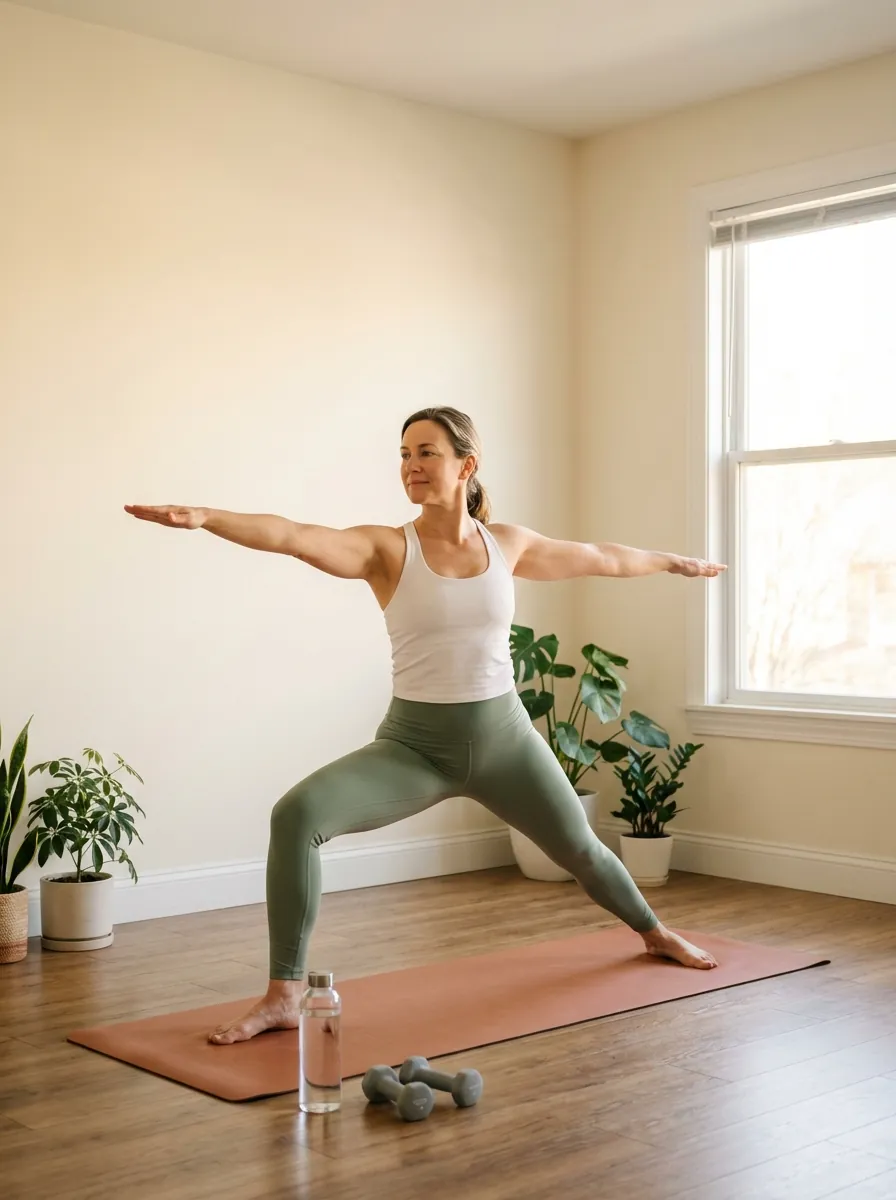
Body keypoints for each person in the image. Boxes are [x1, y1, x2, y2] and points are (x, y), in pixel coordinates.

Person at [125, 406, 727, 1045]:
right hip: (414, 749)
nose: (411, 466)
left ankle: (654, 933)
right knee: (295, 817)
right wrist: (208, 518)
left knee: (580, 848)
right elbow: (293, 533)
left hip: (506, 741)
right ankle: (284, 995)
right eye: (405, 454)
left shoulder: (508, 544)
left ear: (466, 465)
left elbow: (599, 557)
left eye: (427, 453)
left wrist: (669, 561)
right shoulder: (387, 548)